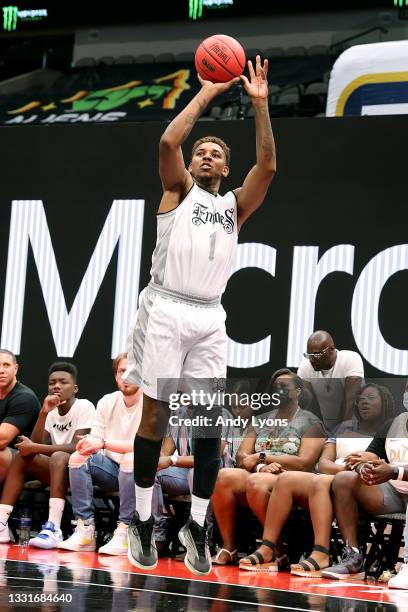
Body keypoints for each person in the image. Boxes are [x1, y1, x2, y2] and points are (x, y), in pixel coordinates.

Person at [123, 55, 276, 575]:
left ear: (226, 167)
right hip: (165, 306)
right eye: (201, 151)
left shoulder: (234, 206)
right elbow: (168, 142)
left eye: (215, 153)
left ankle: (196, 525)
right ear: (192, 164)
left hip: (210, 315)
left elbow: (269, 167)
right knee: (156, 417)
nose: (206, 155)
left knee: (209, 426)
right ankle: (141, 521)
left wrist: (260, 106)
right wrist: (209, 90)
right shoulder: (177, 190)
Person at [238, 382, 394, 574]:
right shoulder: (343, 428)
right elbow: (324, 463)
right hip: (335, 473)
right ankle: (269, 547)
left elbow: (381, 466)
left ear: (385, 402)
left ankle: (321, 553)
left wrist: (355, 471)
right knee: (286, 479)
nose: (364, 403)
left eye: (371, 399)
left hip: (362, 482)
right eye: (361, 399)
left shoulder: (391, 429)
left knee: (320, 481)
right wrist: (343, 469)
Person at [211, 369, 324, 567]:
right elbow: (242, 456)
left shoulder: (311, 422)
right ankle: (229, 547)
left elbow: (305, 462)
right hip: (261, 471)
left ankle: (276, 549)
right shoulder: (261, 419)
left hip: (291, 477)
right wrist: (262, 465)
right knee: (223, 476)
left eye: (284, 387)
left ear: (298, 391)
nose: (278, 391)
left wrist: (262, 456)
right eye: (275, 387)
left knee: (256, 482)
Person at [0, 362, 94, 547]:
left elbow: (77, 447)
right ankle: (2, 522)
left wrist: (35, 448)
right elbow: (35, 446)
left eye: (63, 382)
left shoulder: (84, 406)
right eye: (52, 383)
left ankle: (53, 528)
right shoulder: (51, 413)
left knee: (59, 456)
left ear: (74, 388)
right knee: (23, 455)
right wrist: (43, 412)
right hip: (55, 470)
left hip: (79, 472)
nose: (56, 386)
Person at [58, 353, 143, 555]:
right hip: (112, 470)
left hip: (141, 473)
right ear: (116, 376)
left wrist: (103, 443)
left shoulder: (150, 403)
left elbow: (142, 447)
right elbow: (95, 440)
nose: (127, 375)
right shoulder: (107, 401)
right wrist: (88, 444)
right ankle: (85, 530)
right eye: (122, 371)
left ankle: (124, 532)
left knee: (131, 458)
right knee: (78, 457)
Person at [321, 405, 408, 583]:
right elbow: (369, 454)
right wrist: (364, 466)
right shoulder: (394, 423)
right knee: (345, 479)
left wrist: (394, 471)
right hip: (392, 490)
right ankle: (353, 558)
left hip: (397, 478)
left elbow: (392, 470)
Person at [153, 403, 232, 553]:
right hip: (184, 472)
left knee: (197, 472)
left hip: (218, 475)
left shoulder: (221, 414)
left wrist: (172, 460)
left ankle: (202, 538)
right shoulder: (177, 414)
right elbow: (165, 453)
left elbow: (209, 458)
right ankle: (158, 534)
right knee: (151, 471)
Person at [297, 330, 364, 433]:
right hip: (327, 427)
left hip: (358, 426)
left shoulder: (350, 359)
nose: (312, 360)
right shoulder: (306, 365)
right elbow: (302, 400)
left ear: (331, 349)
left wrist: (342, 431)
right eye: (309, 355)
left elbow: (350, 399)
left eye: (317, 354)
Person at [0, 349, 40, 482]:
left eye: (6, 365)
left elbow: (2, 440)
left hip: (26, 461)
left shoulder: (24, 397)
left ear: (15, 369)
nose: (1, 370)